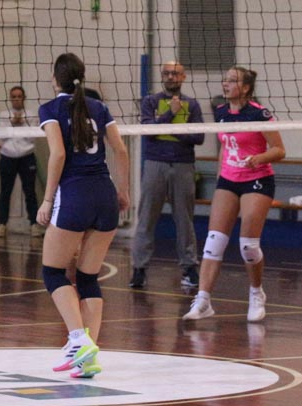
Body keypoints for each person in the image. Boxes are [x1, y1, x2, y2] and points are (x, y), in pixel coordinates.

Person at [37, 53, 130, 379]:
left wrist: (47, 200)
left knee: (53, 272)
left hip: (74, 196)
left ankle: (78, 338)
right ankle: (88, 356)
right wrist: (124, 191)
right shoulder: (99, 107)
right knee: (88, 277)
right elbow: (120, 150)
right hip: (105, 194)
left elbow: (59, 154)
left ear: (55, 78)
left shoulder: (50, 109)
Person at [182, 67, 285, 322]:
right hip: (229, 180)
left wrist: (259, 158)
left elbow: (279, 150)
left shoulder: (259, 114)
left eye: (232, 80)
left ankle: (256, 293)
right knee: (213, 242)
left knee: (248, 245)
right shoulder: (221, 112)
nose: (225, 84)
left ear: (246, 87)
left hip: (257, 179)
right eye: (225, 80)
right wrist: (221, 179)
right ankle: (203, 301)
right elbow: (225, 148)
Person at [129, 61, 205, 289]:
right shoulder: (150, 102)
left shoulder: (192, 104)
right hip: (155, 164)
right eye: (167, 73)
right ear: (162, 76)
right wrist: (171, 115)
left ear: (183, 77)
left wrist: (168, 129)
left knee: (184, 220)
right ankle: (139, 269)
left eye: (175, 73)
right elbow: (149, 132)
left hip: (183, 165)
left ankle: (189, 268)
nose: (171, 77)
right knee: (146, 218)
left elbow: (199, 137)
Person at [0, 86, 43, 239]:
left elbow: (32, 136)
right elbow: (1, 136)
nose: (16, 99)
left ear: (23, 98)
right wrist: (12, 123)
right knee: (5, 192)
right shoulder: (4, 115)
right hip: (7, 156)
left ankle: (34, 224)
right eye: (14, 96)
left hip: (27, 156)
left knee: (30, 192)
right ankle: (2, 224)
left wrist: (22, 123)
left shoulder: (31, 114)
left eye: (19, 96)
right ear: (10, 98)